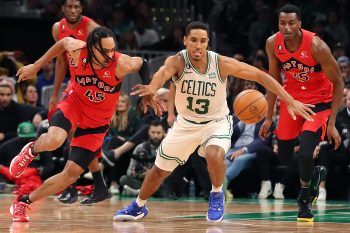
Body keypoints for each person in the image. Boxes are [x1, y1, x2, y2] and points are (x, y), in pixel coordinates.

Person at [113, 21, 315, 223]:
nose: (197, 45)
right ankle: (139, 206)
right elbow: (162, 73)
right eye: (193, 40)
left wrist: (289, 100)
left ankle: (217, 194)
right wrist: (152, 87)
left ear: (208, 42)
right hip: (186, 124)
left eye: (202, 41)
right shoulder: (178, 61)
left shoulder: (220, 63)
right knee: (158, 171)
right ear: (185, 41)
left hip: (216, 123)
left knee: (213, 152)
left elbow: (260, 76)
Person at [9, 27, 162, 222]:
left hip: (98, 120)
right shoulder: (76, 49)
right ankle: (31, 151)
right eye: (104, 51)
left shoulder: (119, 63)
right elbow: (62, 43)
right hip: (75, 103)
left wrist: (149, 89)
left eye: (112, 49)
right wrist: (36, 66)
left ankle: (22, 202)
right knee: (55, 140)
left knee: (70, 175)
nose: (110, 55)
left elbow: (143, 63)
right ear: (90, 48)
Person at [259, 4, 343, 222]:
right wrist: (269, 117)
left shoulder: (317, 46)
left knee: (305, 153)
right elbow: (273, 82)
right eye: (282, 23)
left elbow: (339, 82)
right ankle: (314, 175)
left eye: (291, 23)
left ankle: (305, 197)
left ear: (299, 24)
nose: (286, 27)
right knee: (284, 156)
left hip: (319, 104)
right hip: (292, 102)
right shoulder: (272, 43)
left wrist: (332, 122)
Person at [50, 0, 107, 205]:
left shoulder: (92, 27)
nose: (73, 10)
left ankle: (77, 187)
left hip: (93, 86)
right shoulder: (58, 28)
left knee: (79, 136)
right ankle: (95, 187)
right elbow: (61, 61)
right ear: (63, 9)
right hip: (75, 84)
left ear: (82, 9)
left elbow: (107, 56)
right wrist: (54, 94)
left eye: (77, 7)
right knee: (73, 134)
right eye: (69, 7)